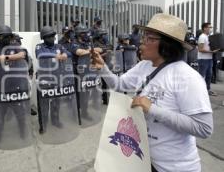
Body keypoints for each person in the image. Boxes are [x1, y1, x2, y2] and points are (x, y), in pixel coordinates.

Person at [91, 14, 213, 172]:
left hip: (175, 168)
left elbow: (204, 128)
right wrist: (103, 69)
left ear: (167, 45)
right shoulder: (144, 65)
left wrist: (153, 109)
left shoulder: (187, 77)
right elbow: (120, 85)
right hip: (144, 160)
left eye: (149, 38)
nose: (142, 42)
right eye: (144, 36)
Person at [0, 25, 28, 144]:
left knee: (20, 113)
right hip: (0, 87)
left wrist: (3, 57)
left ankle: (23, 133)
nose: (6, 38)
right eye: (3, 36)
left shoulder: (15, 46)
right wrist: (2, 57)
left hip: (15, 86)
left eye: (8, 36)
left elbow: (21, 55)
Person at [35, 26, 70, 133]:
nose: (52, 38)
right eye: (49, 36)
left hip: (57, 78)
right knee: (43, 104)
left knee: (56, 102)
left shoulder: (59, 46)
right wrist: (56, 55)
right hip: (45, 80)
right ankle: (43, 125)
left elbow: (68, 54)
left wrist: (64, 54)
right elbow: (40, 55)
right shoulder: (39, 46)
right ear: (44, 37)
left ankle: (55, 121)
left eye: (53, 36)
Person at [197, 22, 219, 96]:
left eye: (211, 27)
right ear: (205, 28)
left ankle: (207, 90)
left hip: (209, 59)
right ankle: (199, 91)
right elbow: (200, 49)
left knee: (209, 75)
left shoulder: (208, 36)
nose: (211, 29)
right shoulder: (202, 37)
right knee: (201, 76)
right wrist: (211, 51)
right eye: (210, 27)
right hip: (203, 59)